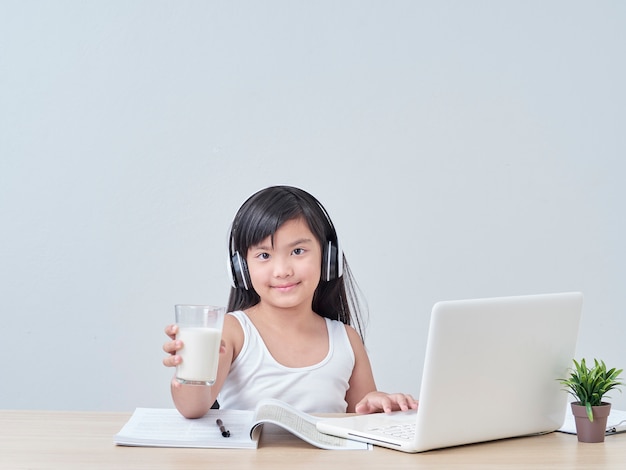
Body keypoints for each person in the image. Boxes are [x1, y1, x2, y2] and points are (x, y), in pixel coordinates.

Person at [163, 185, 417, 418]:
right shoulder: (232, 332)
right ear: (241, 269)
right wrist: (190, 374)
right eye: (264, 255)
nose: (282, 270)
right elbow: (193, 409)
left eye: (298, 251)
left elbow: (362, 418)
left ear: (328, 259)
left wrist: (379, 403)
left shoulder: (346, 340)